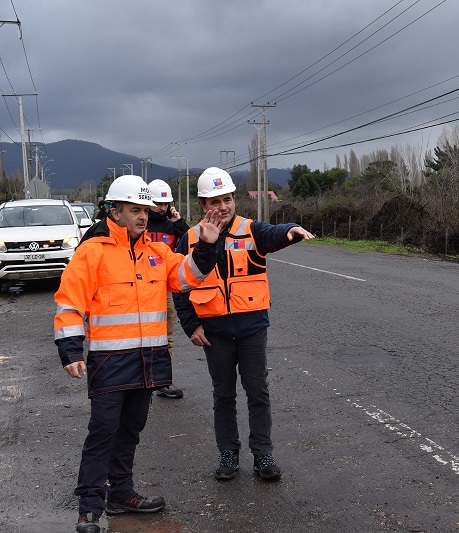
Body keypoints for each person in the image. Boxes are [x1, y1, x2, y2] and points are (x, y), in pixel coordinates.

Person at [54, 175, 225, 533]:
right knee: (103, 431)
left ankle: (121, 494)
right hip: (110, 361)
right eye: (135, 210)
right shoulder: (92, 251)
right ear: (114, 212)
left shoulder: (157, 251)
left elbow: (185, 278)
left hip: (146, 360)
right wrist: (70, 349)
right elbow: (70, 302)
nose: (143, 217)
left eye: (146, 210)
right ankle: (90, 509)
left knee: (131, 429)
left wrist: (206, 247)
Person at [173, 167, 314, 482]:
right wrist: (190, 324)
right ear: (202, 205)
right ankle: (228, 453)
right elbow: (178, 285)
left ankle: (263, 455)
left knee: (257, 391)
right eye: (214, 201)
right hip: (214, 333)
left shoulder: (251, 230)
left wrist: (291, 231)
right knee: (223, 394)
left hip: (251, 328)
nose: (222, 206)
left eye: (227, 199)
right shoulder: (190, 238)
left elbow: (274, 233)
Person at [147, 179, 191, 399]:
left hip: (165, 288)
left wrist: (179, 222)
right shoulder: (141, 223)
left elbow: (192, 243)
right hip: (142, 286)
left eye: (165, 204)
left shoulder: (171, 225)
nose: (162, 208)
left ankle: (164, 381)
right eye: (158, 203)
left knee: (166, 336)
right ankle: (139, 379)